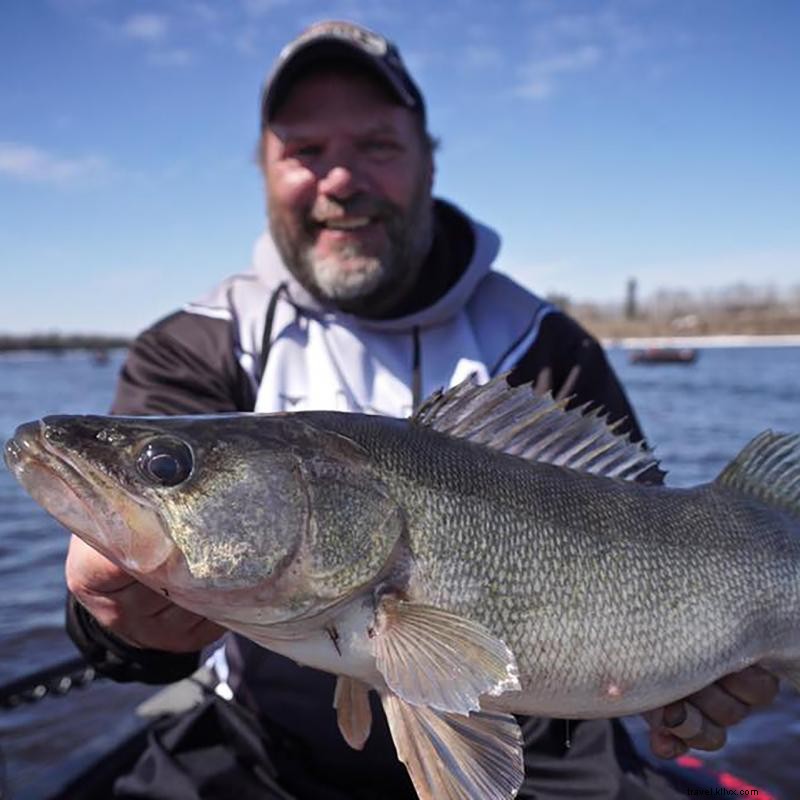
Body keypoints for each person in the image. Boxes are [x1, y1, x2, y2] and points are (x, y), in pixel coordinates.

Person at [64, 20, 778, 800]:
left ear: (429, 159)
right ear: (265, 172)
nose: (340, 179)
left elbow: (647, 524)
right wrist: (117, 624)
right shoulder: (196, 346)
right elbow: (134, 646)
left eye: (376, 145)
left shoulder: (544, 344)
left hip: (549, 746)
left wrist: (690, 680)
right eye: (305, 151)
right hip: (265, 747)